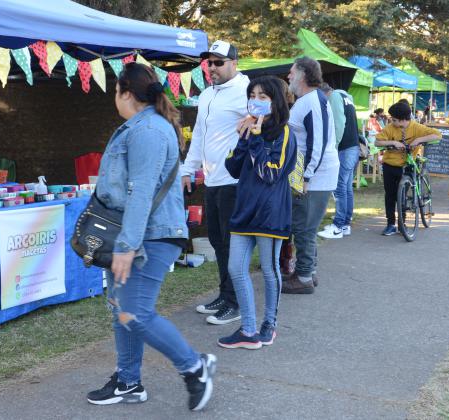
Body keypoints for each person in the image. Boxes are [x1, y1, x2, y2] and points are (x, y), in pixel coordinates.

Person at [87, 62, 216, 411]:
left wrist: (127, 245)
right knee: (122, 310)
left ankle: (194, 366)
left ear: (126, 93)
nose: (115, 97)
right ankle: (129, 382)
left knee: (135, 313)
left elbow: (141, 189)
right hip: (140, 234)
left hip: (150, 237)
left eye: (116, 91)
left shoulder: (147, 131)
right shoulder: (143, 127)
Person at [218, 76, 297, 350]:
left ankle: (269, 325)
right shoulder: (250, 130)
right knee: (235, 269)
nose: (256, 101)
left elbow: (270, 173)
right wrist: (243, 137)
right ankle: (248, 329)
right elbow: (233, 169)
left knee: (269, 269)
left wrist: (257, 138)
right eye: (253, 95)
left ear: (276, 101)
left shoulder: (285, 133)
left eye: (263, 96)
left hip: (270, 213)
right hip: (244, 210)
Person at [183, 40, 249, 325]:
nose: (212, 67)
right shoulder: (208, 94)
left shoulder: (247, 91)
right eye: (208, 62)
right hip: (211, 179)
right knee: (217, 241)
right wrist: (188, 169)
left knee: (232, 243)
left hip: (235, 180)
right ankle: (225, 295)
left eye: (218, 62)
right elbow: (198, 134)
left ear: (234, 63)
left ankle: (236, 303)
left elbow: (264, 125)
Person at [280, 57, 340, 294]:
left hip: (314, 175)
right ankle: (307, 271)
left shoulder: (312, 102)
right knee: (305, 224)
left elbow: (318, 142)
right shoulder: (310, 100)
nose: (288, 76)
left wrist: (306, 177)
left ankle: (303, 276)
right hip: (310, 172)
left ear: (303, 74)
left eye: (291, 72)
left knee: (304, 226)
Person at [374, 101, 442, 235]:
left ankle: (401, 223)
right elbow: (377, 142)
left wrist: (418, 141)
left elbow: (437, 134)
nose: (391, 121)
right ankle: (390, 223)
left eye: (394, 119)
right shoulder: (390, 128)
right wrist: (393, 142)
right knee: (390, 195)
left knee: (403, 197)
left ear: (403, 119)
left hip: (407, 166)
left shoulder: (416, 127)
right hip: (389, 166)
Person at [318, 84, 361, 239]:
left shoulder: (335, 97)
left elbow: (338, 124)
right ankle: (345, 225)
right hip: (352, 148)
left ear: (324, 94)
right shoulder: (346, 97)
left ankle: (338, 226)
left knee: (339, 188)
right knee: (346, 187)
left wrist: (333, 148)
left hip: (343, 149)